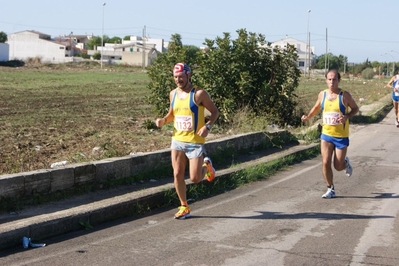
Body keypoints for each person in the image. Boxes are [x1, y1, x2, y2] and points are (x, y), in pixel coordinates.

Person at [155, 62, 219, 219]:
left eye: (181, 77)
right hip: (177, 140)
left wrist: (207, 126)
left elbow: (215, 112)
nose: (178, 80)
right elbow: (172, 114)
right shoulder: (173, 94)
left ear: (188, 75)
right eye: (175, 77)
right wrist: (163, 120)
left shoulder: (199, 94)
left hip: (194, 141)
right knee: (177, 174)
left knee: (195, 178)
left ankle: (207, 166)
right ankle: (184, 206)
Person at [301, 69, 359, 199]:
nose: (332, 82)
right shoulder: (322, 94)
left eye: (334, 79)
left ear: (338, 81)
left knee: (337, 166)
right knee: (325, 162)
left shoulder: (344, 96)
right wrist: (308, 117)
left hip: (341, 136)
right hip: (326, 135)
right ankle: (330, 188)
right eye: (329, 79)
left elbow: (355, 109)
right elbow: (316, 107)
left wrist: (346, 116)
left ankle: (345, 163)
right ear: (326, 80)